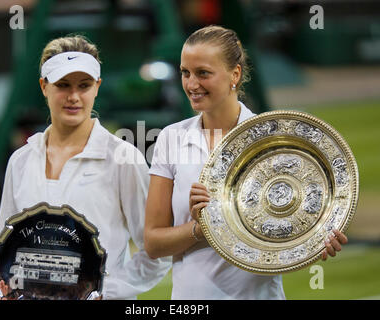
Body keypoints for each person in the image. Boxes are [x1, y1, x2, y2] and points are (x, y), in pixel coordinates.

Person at [144, 25, 348, 299]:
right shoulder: (171, 138)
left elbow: (289, 224)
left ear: (234, 74)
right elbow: (154, 242)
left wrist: (314, 238)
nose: (192, 84)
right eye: (185, 73)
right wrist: (202, 228)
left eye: (203, 73)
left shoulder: (274, 139)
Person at [0, 35, 171, 300]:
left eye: (84, 85)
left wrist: (101, 292)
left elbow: (157, 252)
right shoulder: (20, 161)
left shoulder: (123, 158)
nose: (74, 96)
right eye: (63, 85)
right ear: (44, 87)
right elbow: (7, 249)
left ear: (97, 87)